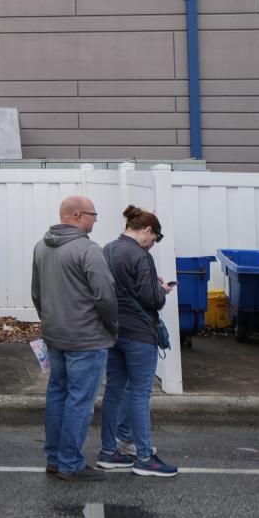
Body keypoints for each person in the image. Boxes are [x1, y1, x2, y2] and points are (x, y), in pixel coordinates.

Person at [31, 195, 117, 482]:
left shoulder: (41, 246)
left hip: (55, 335)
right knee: (79, 400)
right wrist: (111, 328)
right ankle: (70, 463)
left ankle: (55, 459)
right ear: (79, 215)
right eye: (93, 214)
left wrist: (49, 320)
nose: (95, 219)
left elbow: (36, 292)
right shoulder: (88, 249)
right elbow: (105, 295)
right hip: (86, 338)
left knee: (57, 395)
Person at [98, 205, 178, 477]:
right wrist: (162, 290)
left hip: (112, 330)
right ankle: (144, 456)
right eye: (153, 239)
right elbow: (152, 299)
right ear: (145, 231)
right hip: (139, 333)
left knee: (114, 390)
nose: (152, 244)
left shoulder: (106, 249)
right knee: (141, 394)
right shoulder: (141, 256)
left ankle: (108, 451)